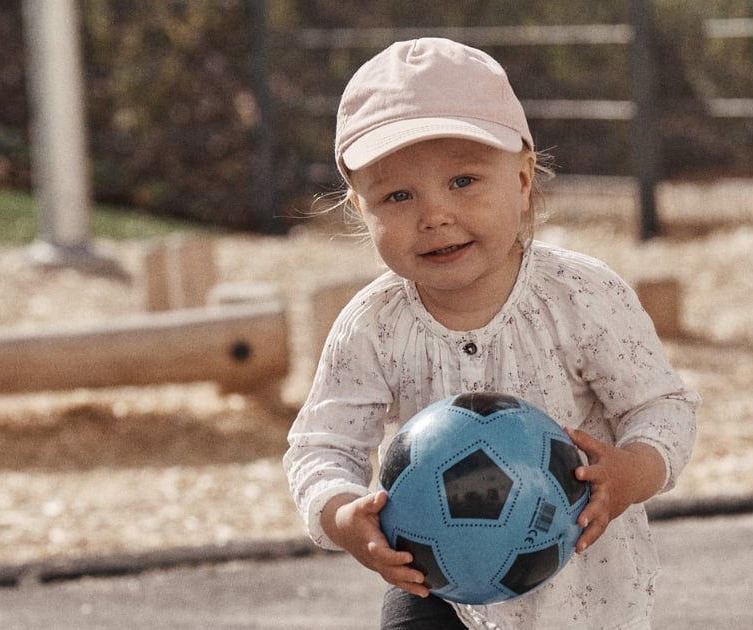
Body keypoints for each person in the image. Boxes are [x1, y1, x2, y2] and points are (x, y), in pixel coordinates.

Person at [284, 37, 698, 629]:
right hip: (433, 582)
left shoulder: (580, 296)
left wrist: (633, 471)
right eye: (397, 196)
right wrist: (340, 514)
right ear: (359, 207)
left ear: (523, 178)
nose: (434, 215)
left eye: (463, 181)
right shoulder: (372, 325)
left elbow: (664, 407)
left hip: (581, 586)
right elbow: (322, 444)